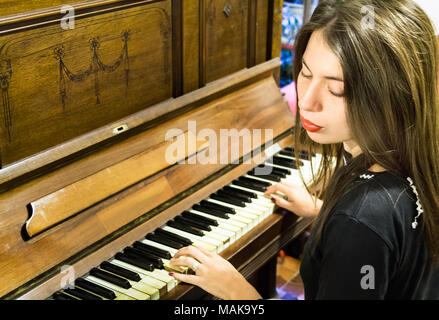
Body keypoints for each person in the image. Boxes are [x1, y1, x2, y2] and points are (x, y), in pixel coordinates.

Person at [168, 0, 439, 299]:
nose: (307, 101)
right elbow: (392, 237)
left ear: (389, 94)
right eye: (306, 74)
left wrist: (235, 290)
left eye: (337, 89)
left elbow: (369, 230)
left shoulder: (362, 220)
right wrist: (323, 213)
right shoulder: (416, 156)